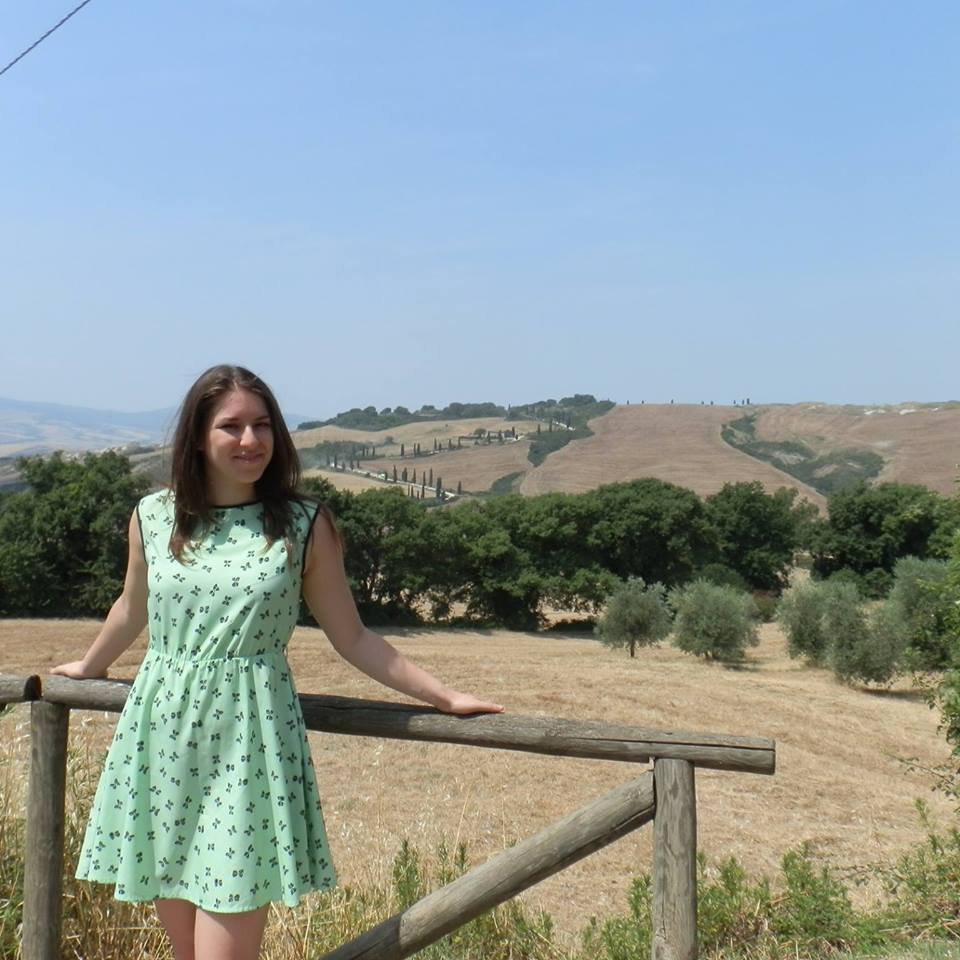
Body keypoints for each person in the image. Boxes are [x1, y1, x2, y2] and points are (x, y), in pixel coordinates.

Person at [51, 364, 503, 960]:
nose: (250, 440)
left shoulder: (302, 525)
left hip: (249, 744)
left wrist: (443, 697)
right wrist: (90, 665)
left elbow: (354, 638)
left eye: (262, 425)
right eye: (232, 426)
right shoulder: (154, 516)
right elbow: (133, 607)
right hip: (160, 738)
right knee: (185, 951)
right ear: (197, 438)